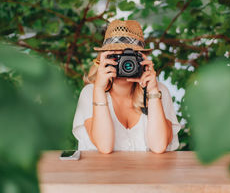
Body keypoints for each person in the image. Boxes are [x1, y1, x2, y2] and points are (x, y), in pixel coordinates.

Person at [72, 20, 181, 153]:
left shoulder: (158, 91)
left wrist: (152, 91)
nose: (125, 63)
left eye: (130, 56)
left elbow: (159, 147)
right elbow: (104, 147)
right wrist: (99, 90)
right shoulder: (90, 93)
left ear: (142, 59)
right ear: (103, 59)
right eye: (117, 57)